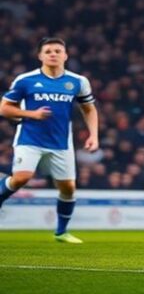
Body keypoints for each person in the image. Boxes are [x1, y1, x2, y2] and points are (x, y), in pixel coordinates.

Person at [0, 37, 99, 244]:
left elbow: (89, 109)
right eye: (48, 51)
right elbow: (5, 108)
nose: (53, 54)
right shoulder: (25, 80)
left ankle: (61, 232)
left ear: (65, 55)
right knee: (21, 178)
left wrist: (93, 135)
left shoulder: (78, 81)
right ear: (40, 56)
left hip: (61, 143)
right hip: (30, 139)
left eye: (57, 51)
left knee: (68, 188)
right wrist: (31, 114)